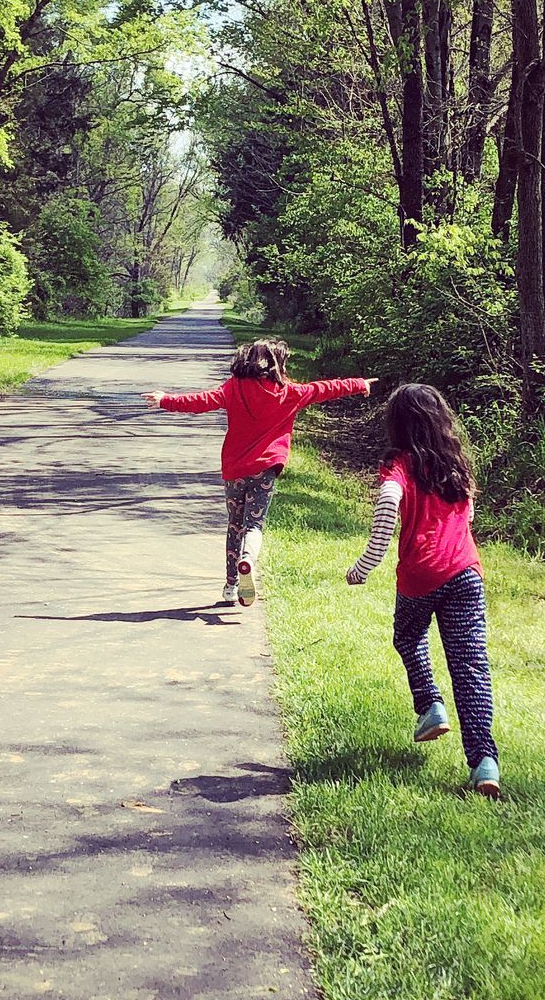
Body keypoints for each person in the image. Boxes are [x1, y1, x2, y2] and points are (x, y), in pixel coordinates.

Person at [345, 383, 500, 798]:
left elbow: (387, 506)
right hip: (466, 573)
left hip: (420, 576)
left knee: (409, 637)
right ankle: (484, 762)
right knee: (470, 667)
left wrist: (365, 566)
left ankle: (431, 705)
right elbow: (467, 516)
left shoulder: (399, 465)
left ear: (397, 424)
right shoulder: (458, 463)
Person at [145, 339, 371, 606]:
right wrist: (360, 384)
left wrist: (165, 401)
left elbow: (201, 401)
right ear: (279, 363)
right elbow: (325, 388)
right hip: (265, 469)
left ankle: (231, 585)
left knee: (235, 524)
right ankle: (248, 559)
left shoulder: (234, 388)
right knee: (254, 523)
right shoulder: (290, 392)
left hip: (235, 470)